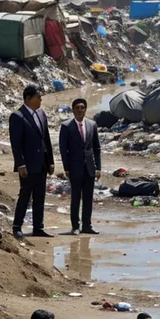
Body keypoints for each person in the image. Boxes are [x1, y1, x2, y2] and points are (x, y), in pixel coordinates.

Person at [9, 85, 54, 240]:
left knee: (40, 196)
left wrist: (51, 162)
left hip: (41, 162)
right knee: (25, 195)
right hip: (27, 165)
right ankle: (17, 227)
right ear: (28, 98)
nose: (40, 100)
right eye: (38, 97)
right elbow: (16, 143)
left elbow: (46, 139)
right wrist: (20, 164)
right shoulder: (18, 116)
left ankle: (38, 227)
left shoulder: (41, 114)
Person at [59, 98, 101, 235]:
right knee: (75, 197)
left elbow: (96, 148)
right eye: (77, 107)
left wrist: (98, 167)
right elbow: (63, 149)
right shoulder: (66, 126)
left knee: (88, 198)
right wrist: (66, 167)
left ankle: (87, 226)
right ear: (73, 110)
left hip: (89, 167)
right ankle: (75, 226)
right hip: (74, 166)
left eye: (82, 107)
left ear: (85, 109)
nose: (80, 110)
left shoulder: (92, 124)